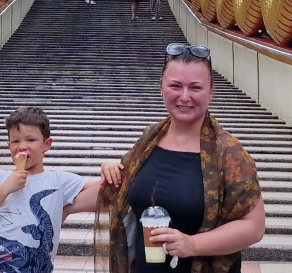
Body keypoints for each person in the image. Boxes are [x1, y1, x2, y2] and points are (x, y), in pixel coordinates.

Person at [94, 43, 264, 273]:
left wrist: (192, 244)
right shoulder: (150, 138)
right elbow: (122, 187)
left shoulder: (229, 153)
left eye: (195, 87)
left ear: (211, 92)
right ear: (161, 88)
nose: (185, 96)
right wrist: (110, 169)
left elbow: (254, 227)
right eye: (175, 86)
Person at [0, 107, 96, 272]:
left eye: (30, 140)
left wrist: (108, 167)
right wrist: (4, 189)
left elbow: (103, 192)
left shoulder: (59, 180)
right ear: (9, 145)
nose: (22, 147)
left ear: (46, 144)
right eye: (15, 141)